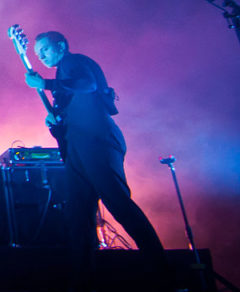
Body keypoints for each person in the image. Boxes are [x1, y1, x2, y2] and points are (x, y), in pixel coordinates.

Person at [25, 31, 167, 290]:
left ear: (61, 45)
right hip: (79, 148)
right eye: (37, 53)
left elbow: (87, 85)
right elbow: (70, 116)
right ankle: (82, 281)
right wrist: (55, 123)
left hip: (96, 142)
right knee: (78, 216)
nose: (41, 56)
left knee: (118, 203)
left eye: (44, 49)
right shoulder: (62, 74)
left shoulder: (74, 62)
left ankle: (161, 271)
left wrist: (45, 84)